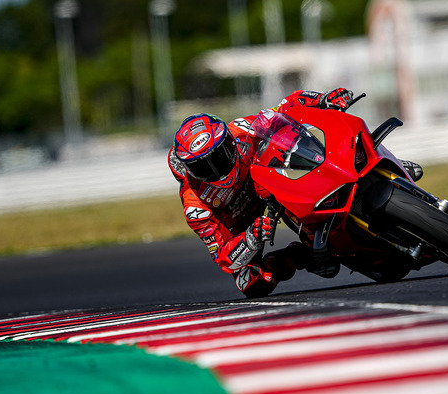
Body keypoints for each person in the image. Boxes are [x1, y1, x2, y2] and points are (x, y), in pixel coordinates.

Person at [168, 88, 423, 298]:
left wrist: (322, 100)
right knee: (250, 282)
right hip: (246, 224)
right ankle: (305, 255)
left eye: (219, 156)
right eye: (203, 167)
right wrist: (252, 236)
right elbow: (225, 258)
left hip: (266, 181)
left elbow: (284, 107)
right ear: (191, 171)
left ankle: (372, 165)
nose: (216, 170)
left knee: (293, 138)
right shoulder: (195, 205)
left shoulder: (240, 129)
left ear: (228, 142)